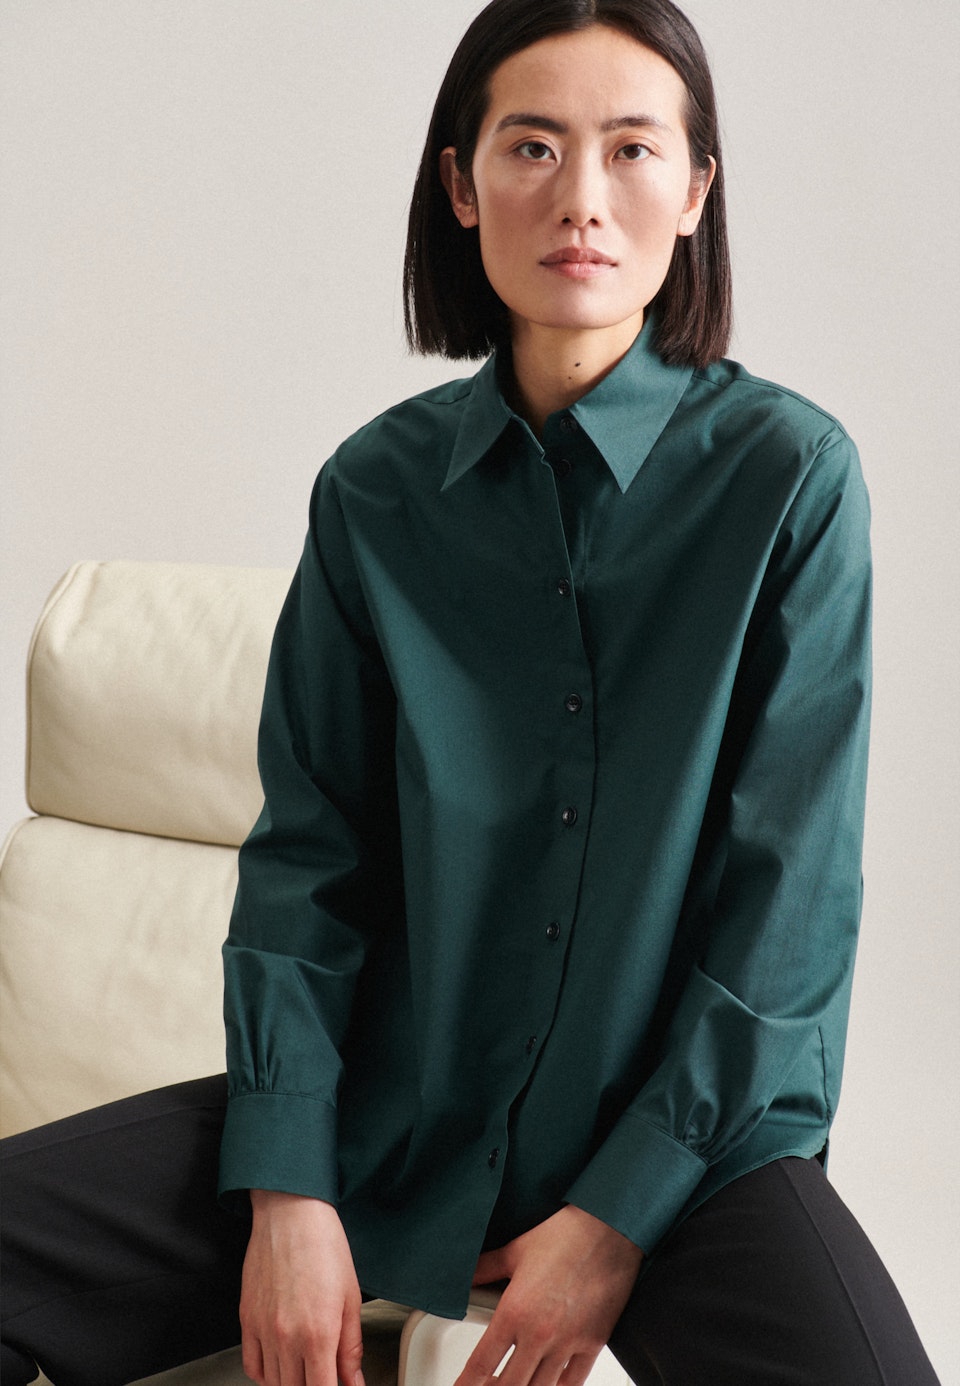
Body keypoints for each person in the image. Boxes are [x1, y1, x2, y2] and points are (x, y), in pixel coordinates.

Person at [0, 1, 941, 1384]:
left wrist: (614, 1225)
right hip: (389, 1118)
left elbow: (785, 920)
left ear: (696, 192)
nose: (582, 198)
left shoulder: (791, 482)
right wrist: (288, 1194)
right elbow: (310, 865)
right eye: (533, 146)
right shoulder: (373, 496)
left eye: (633, 149)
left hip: (685, 1154)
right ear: (461, 183)